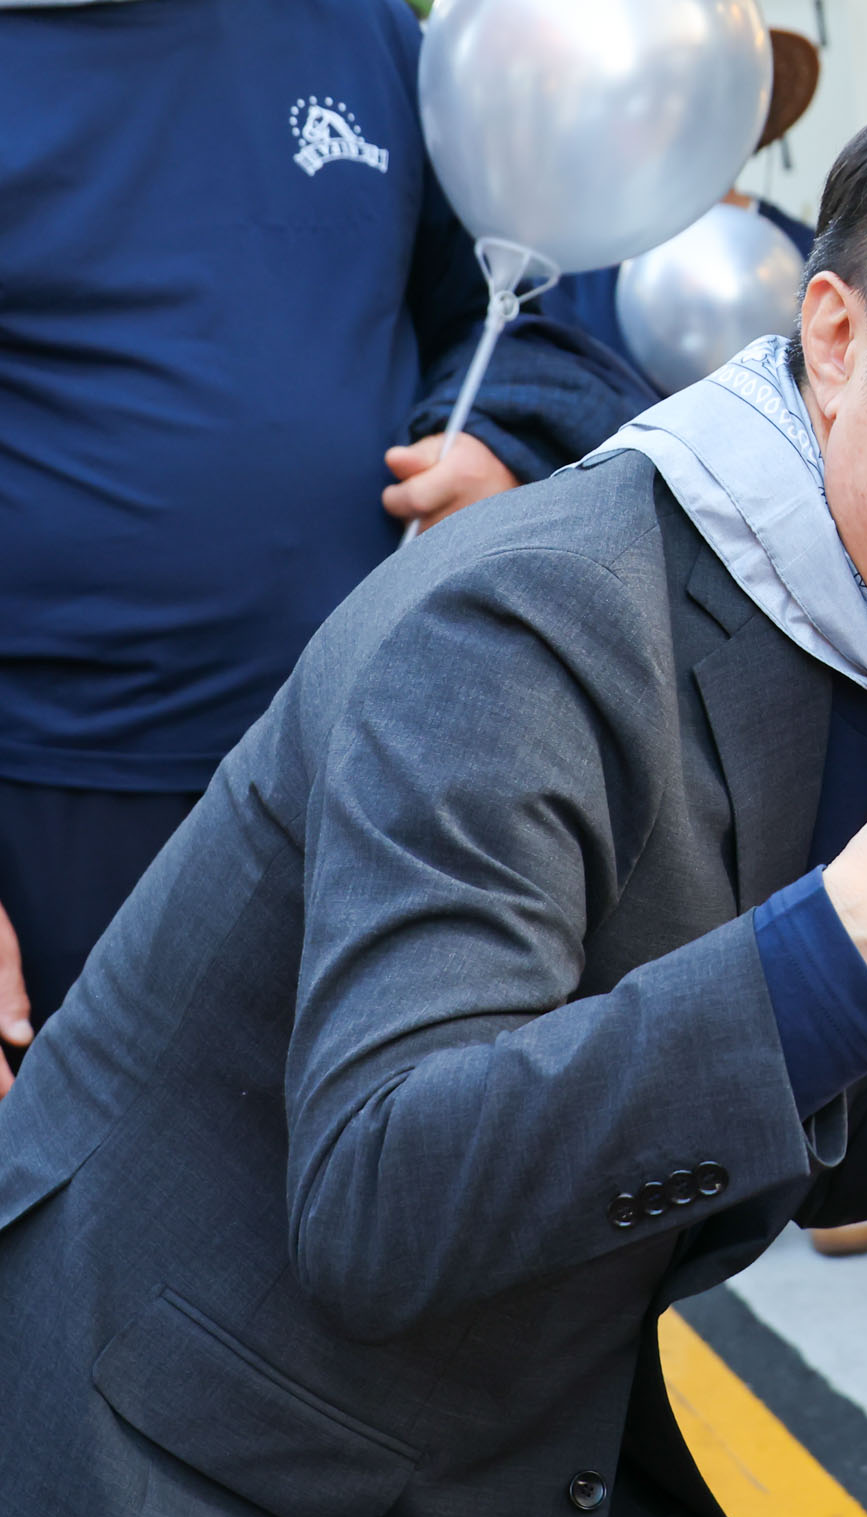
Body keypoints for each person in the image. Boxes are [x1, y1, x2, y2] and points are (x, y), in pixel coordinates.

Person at [0, 61, 867, 1517]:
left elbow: (812, 1113)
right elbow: (380, 1195)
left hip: (506, 1411)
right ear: (836, 340)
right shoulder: (528, 625)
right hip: (208, 1452)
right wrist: (847, 948)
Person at [0, 0, 654, 1093]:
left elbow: (518, 318)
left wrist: (495, 437)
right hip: (60, 810)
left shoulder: (360, 30)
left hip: (382, 771)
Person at [544, 28, 824, 372]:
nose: (685, 116)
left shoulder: (808, 257)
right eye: (662, 95)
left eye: (712, 95)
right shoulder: (580, 265)